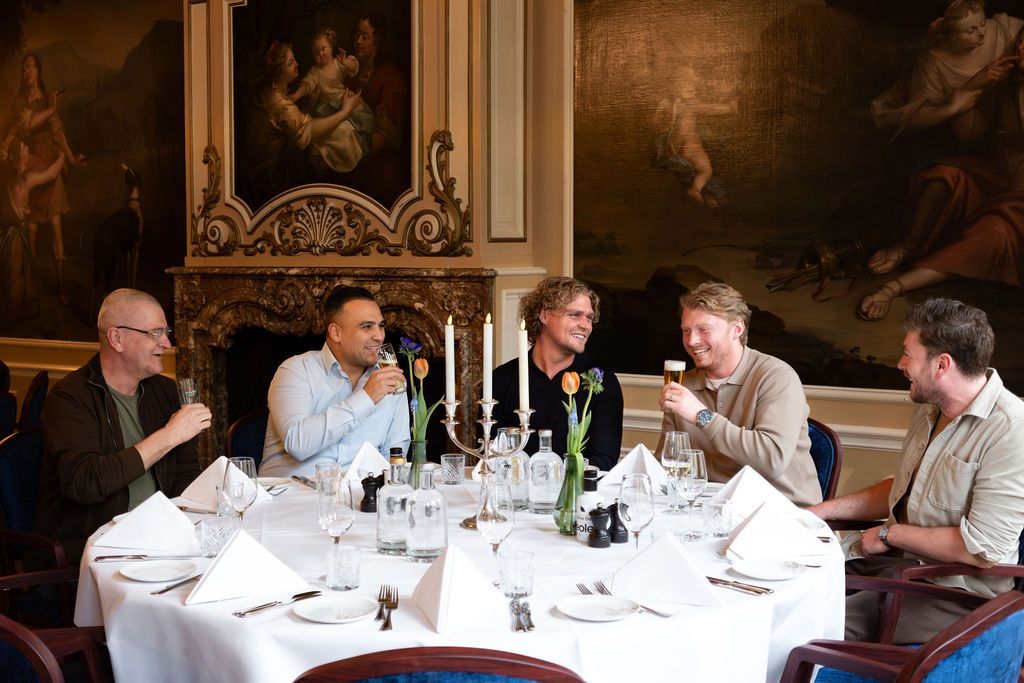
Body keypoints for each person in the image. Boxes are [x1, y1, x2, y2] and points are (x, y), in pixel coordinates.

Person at [810, 298, 1024, 643]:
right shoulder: (930, 409)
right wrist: (819, 512)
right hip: (899, 565)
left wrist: (889, 535)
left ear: (941, 365)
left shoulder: (1012, 430)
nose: (900, 363)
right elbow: (906, 487)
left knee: (808, 626)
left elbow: (983, 547)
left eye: (908, 354)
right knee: (791, 588)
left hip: (955, 590)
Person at [860, 1, 1024, 319]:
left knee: (991, 233)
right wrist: (972, 88)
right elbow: (968, 136)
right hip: (999, 178)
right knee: (943, 177)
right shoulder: (1006, 88)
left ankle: (894, 287)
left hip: (1018, 195)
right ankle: (909, 246)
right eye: (1020, 44)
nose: (1020, 50)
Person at [34, 289, 208, 564]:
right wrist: (169, 436)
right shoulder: (69, 398)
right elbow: (85, 482)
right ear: (117, 338)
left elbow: (185, 472)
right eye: (155, 333)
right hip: (97, 547)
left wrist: (187, 524)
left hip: (160, 540)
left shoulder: (165, 392)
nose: (166, 342)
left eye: (166, 332)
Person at [657, 282, 820, 506]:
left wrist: (701, 416)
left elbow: (772, 460)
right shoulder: (684, 384)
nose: (692, 341)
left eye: (704, 330)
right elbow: (666, 463)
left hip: (782, 511)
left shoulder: (776, 377)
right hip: (712, 510)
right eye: (686, 331)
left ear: (737, 329)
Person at [260, 285, 409, 477]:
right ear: (336, 332)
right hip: (291, 492)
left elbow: (395, 455)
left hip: (358, 492)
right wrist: (366, 397)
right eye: (367, 326)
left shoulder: (391, 380)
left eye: (381, 326)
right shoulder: (295, 370)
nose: (379, 336)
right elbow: (297, 444)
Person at [492, 277, 623, 471]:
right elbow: (493, 455)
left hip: (574, 490)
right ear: (545, 315)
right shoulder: (502, 379)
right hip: (515, 488)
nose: (586, 325)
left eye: (589, 318)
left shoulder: (602, 382)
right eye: (575, 315)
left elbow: (603, 461)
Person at [243, 41, 365, 204]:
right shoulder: (276, 100)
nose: (297, 64)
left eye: (294, 60)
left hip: (270, 166)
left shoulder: (269, 89)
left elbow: (287, 125)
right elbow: (305, 130)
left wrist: (310, 105)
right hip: (266, 179)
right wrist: (345, 112)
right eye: (290, 63)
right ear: (279, 72)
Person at [9, 53, 86, 307]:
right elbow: (26, 127)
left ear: (38, 71)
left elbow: (57, 132)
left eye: (31, 67)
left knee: (55, 226)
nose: (27, 71)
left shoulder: (44, 97)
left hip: (50, 160)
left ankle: (61, 286)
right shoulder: (20, 101)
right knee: (31, 230)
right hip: (32, 164)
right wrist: (51, 108)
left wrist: (71, 158)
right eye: (24, 68)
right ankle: (28, 287)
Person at [288, 28, 374, 173]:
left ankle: (355, 156)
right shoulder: (315, 71)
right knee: (337, 132)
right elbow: (307, 84)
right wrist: (296, 95)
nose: (321, 54)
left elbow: (354, 68)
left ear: (331, 47)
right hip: (326, 109)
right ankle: (333, 160)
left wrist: (345, 61)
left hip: (342, 99)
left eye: (323, 49)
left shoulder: (338, 63)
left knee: (354, 128)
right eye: (316, 52)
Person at [0, 135, 64, 327]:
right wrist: (62, 155)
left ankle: (17, 312)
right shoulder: (24, 180)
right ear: (19, 155)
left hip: (13, 233)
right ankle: (12, 317)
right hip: (15, 235)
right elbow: (51, 175)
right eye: (24, 148)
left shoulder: (7, 176)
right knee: (16, 276)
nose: (28, 148)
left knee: (21, 273)